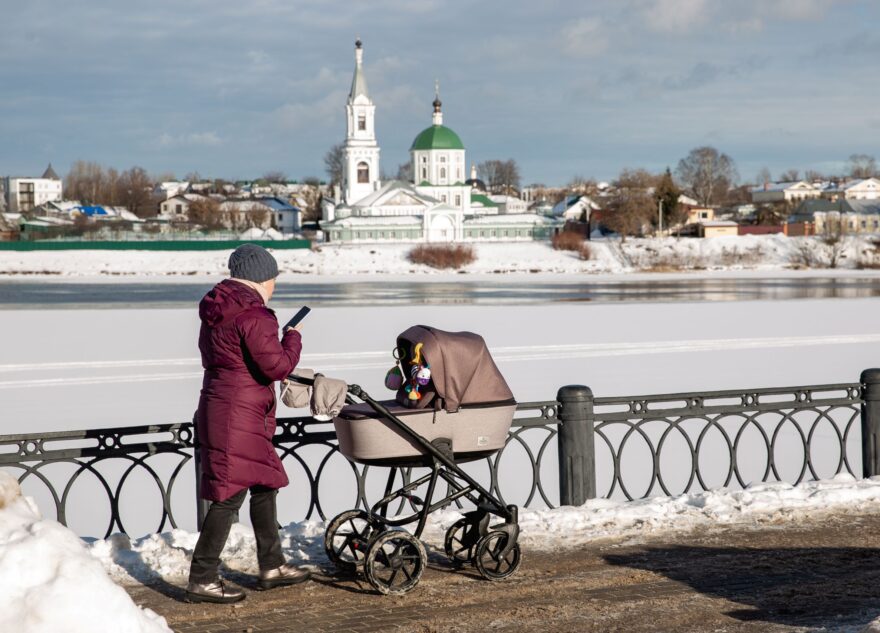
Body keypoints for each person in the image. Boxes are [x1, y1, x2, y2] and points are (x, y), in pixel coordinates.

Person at [186, 244, 310, 604]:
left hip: (225, 405)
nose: (274, 285)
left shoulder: (218, 308)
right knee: (229, 495)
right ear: (260, 278)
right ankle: (202, 578)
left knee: (264, 483)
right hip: (238, 412)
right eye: (273, 279)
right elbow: (277, 366)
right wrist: (293, 336)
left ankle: (272, 565)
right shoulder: (254, 314)